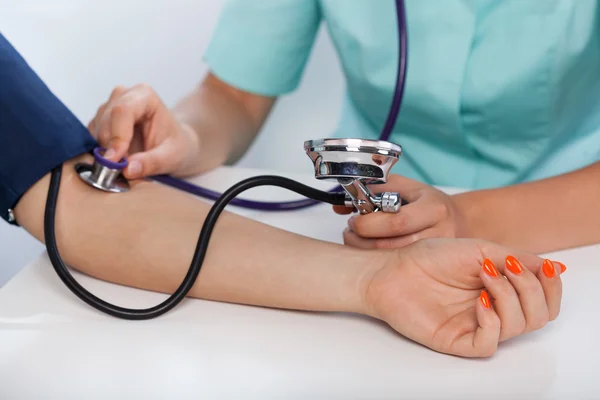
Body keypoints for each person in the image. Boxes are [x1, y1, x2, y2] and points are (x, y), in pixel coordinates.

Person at [0, 32, 566, 358]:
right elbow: (74, 199)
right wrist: (374, 281)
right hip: (390, 245)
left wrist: (466, 213)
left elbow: (66, 196)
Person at [90, 0, 600, 255]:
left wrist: (465, 221)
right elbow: (234, 97)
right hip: (377, 238)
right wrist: (185, 136)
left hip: (573, 231)